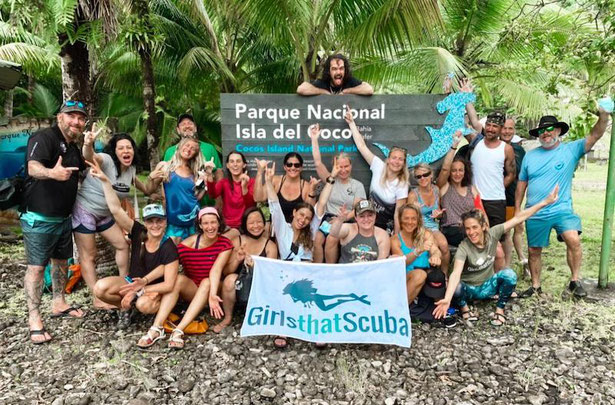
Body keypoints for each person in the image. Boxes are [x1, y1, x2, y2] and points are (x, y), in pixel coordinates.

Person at [516, 105, 611, 298]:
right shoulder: (530, 156)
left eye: (550, 129)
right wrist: (518, 209)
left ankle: (575, 281)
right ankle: (535, 286)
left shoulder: (571, 150)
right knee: (534, 249)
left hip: (561, 209)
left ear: (558, 130)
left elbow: (595, 135)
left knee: (573, 239)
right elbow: (521, 184)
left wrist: (604, 114)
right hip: (535, 211)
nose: (545, 134)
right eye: (542, 131)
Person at [433, 187, 559, 326]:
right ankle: (465, 309)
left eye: (475, 227)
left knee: (509, 274)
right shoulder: (464, 246)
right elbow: (456, 273)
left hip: (488, 288)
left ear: (483, 227)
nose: (471, 232)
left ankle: (500, 310)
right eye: (467, 228)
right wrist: (447, 298)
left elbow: (518, 218)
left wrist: (545, 202)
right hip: (469, 290)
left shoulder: (493, 234)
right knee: (456, 285)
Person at [21, 100, 87, 343]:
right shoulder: (45, 137)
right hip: (39, 218)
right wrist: (52, 173)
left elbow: (85, 169)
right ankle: (34, 317)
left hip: (63, 218)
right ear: (60, 117)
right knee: (37, 267)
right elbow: (32, 167)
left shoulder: (73, 147)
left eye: (81, 118)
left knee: (61, 262)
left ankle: (58, 302)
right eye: (72, 116)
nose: (76, 122)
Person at [87, 159, 179, 329]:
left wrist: (139, 291)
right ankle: (126, 307)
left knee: (144, 305)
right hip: (132, 282)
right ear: (145, 222)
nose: (155, 225)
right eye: (151, 221)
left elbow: (169, 284)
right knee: (100, 289)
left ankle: (142, 305)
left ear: (165, 222)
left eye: (159, 221)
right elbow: (115, 209)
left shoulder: (168, 245)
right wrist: (106, 181)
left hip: (153, 287)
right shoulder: (139, 232)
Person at [136, 207, 234, 349]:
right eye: (205, 223)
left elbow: (216, 270)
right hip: (194, 289)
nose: (210, 227)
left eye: (213, 222)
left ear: (219, 223)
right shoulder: (187, 245)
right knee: (178, 278)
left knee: (207, 282)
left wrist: (213, 294)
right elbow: (168, 266)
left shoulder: (225, 244)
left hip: (215, 289)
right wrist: (146, 281)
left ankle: (179, 330)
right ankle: (156, 328)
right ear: (200, 225)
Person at [74, 132, 150, 310]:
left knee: (123, 245)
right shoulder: (107, 161)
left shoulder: (130, 170)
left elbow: (144, 187)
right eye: (121, 148)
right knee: (89, 255)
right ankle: (97, 297)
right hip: (85, 210)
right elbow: (90, 157)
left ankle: (124, 284)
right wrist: (88, 143)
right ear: (114, 151)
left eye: (129, 147)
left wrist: (155, 186)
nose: (126, 151)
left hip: (105, 214)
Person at [211, 207, 278, 334]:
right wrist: (237, 259)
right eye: (251, 223)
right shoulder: (238, 241)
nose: (256, 226)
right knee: (229, 280)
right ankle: (228, 317)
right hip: (240, 288)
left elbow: (271, 275)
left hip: (260, 288)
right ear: (245, 225)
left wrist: (255, 267)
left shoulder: (270, 246)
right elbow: (226, 272)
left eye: (259, 222)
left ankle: (260, 315)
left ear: (264, 224)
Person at [346, 109, 409, 234]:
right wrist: (351, 123)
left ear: (403, 164)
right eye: (394, 158)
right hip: (366, 217)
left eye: (400, 159)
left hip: (385, 225)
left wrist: (396, 238)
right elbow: (361, 146)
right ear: (388, 160)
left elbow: (398, 214)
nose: (396, 162)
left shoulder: (402, 184)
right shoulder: (378, 166)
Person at [310, 123, 366, 262]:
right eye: (339, 166)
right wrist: (314, 139)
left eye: (346, 166)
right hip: (328, 218)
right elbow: (317, 163)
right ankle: (317, 269)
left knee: (331, 239)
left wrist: (343, 218)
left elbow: (358, 209)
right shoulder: (329, 179)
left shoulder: (357, 185)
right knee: (317, 240)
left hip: (347, 220)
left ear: (351, 166)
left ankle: (332, 271)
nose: (343, 170)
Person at [147, 137, 207, 243]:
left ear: (195, 154)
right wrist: (151, 178)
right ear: (180, 146)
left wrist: (205, 185)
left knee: (191, 255)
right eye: (187, 145)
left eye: (193, 149)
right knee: (172, 254)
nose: (189, 149)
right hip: (173, 223)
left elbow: (197, 197)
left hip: (193, 222)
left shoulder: (195, 172)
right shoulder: (165, 167)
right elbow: (149, 190)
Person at [264, 162, 327, 262]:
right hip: (285, 273)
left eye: (307, 218)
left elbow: (322, 203)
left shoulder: (310, 231)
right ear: (294, 212)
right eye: (301, 215)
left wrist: (331, 180)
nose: (303, 220)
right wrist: (268, 181)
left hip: (305, 274)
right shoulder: (283, 229)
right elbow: (275, 205)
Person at [436, 131, 485, 247]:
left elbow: (481, 211)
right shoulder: (445, 187)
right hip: (452, 230)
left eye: (460, 170)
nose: (457, 174)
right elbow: (445, 169)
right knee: (471, 240)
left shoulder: (471, 189)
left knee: (494, 244)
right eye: (454, 170)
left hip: (471, 228)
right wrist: (454, 145)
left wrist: (486, 227)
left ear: (465, 171)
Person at [162, 113, 222, 206]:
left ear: (195, 128)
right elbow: (164, 179)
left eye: (190, 123)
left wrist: (219, 201)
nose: (187, 126)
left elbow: (218, 173)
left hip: (206, 204)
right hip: (179, 205)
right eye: (183, 124)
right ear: (178, 130)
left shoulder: (209, 148)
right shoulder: (170, 151)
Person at [390, 203, 442, 303]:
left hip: (425, 281)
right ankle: (402, 308)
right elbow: (402, 263)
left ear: (418, 220)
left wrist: (436, 256)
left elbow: (435, 250)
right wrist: (417, 251)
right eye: (406, 218)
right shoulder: (395, 240)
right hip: (406, 280)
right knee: (420, 275)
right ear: (400, 219)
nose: (410, 222)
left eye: (413, 218)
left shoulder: (425, 234)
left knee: (437, 276)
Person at [408, 163, 450, 272]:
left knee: (444, 246)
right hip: (420, 228)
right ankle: (432, 276)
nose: (422, 178)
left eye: (425, 174)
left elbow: (438, 211)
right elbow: (407, 218)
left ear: (431, 175)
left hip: (433, 226)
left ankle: (445, 275)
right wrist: (415, 210)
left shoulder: (436, 190)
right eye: (418, 176)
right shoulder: (413, 195)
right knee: (433, 245)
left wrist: (439, 215)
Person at [253, 152, 317, 223]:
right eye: (289, 165)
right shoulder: (275, 181)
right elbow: (258, 198)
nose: (293, 168)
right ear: (285, 167)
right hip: (275, 228)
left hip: (296, 229)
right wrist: (259, 172)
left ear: (301, 168)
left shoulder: (306, 186)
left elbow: (310, 211)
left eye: (297, 165)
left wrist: (312, 191)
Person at [500, 118, 528, 270]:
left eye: (510, 128)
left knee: (518, 228)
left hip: (514, 197)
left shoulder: (519, 151)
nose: (507, 131)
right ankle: (505, 265)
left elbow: (524, 176)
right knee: (505, 232)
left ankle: (520, 258)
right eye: (504, 128)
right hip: (497, 198)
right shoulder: (493, 147)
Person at [204, 151, 255, 231]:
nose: (235, 164)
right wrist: (209, 175)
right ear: (227, 165)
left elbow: (251, 205)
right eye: (232, 161)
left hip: (246, 225)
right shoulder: (224, 182)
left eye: (238, 161)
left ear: (244, 165)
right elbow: (212, 195)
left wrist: (244, 187)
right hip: (227, 226)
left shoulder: (251, 182)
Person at [296, 53, 373, 95]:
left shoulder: (350, 81)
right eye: (334, 69)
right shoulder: (323, 83)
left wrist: (346, 91)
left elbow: (369, 89)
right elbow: (301, 89)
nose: (338, 72)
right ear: (329, 71)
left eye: (341, 68)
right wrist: (324, 92)